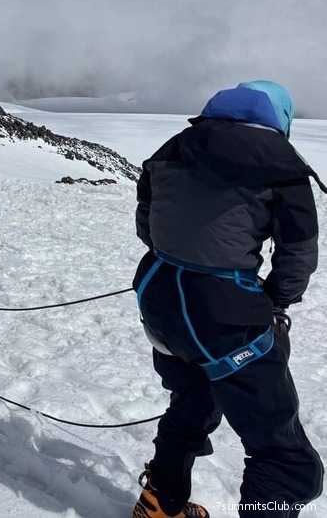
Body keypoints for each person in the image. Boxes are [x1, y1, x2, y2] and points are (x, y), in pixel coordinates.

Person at [132, 80, 324, 518]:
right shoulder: (281, 164)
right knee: (283, 456)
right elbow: (298, 253)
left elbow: (147, 224)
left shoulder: (173, 148)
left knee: (193, 399)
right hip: (225, 314)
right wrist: (274, 302)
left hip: (160, 298)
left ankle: (160, 502)